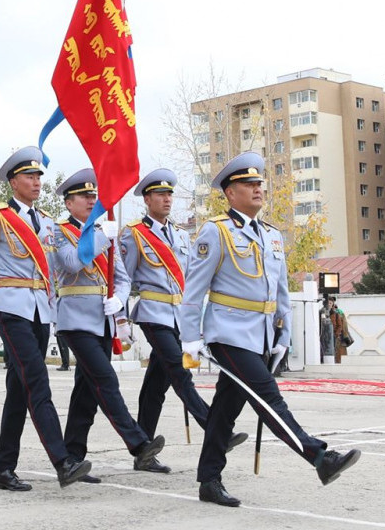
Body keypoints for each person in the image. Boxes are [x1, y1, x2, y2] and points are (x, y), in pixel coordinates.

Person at [179, 152, 360, 508]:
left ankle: (208, 480)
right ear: (230, 193)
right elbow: (194, 289)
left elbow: (279, 293)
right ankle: (320, 458)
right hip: (227, 333)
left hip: (261, 335)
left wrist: (282, 337)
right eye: (249, 184)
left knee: (224, 410)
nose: (258, 188)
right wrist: (190, 336)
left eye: (260, 182)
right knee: (268, 398)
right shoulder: (215, 232)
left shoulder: (271, 235)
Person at [0, 146, 91, 490]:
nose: (37, 181)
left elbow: (56, 268)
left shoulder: (44, 221)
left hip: (40, 310)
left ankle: (3, 468)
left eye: (39, 175)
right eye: (30, 176)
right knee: (37, 380)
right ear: (14, 182)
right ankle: (63, 460)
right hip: (11, 308)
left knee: (18, 390)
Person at [121, 168, 245, 457]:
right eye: (160, 194)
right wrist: (121, 318)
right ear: (147, 199)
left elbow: (190, 277)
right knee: (180, 371)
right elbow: (124, 279)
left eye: (169, 194)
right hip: (153, 313)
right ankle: (215, 428)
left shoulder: (180, 235)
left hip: (179, 314)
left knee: (156, 384)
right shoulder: (134, 235)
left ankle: (143, 449)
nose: (167, 199)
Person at [53, 168, 164, 479]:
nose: (92, 200)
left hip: (102, 320)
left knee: (86, 393)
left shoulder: (104, 229)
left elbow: (123, 279)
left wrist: (119, 303)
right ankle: (138, 443)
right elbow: (73, 262)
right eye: (84, 196)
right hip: (75, 319)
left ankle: (72, 458)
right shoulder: (60, 230)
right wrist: (104, 236)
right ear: (68, 202)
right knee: (105, 380)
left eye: (94, 195)